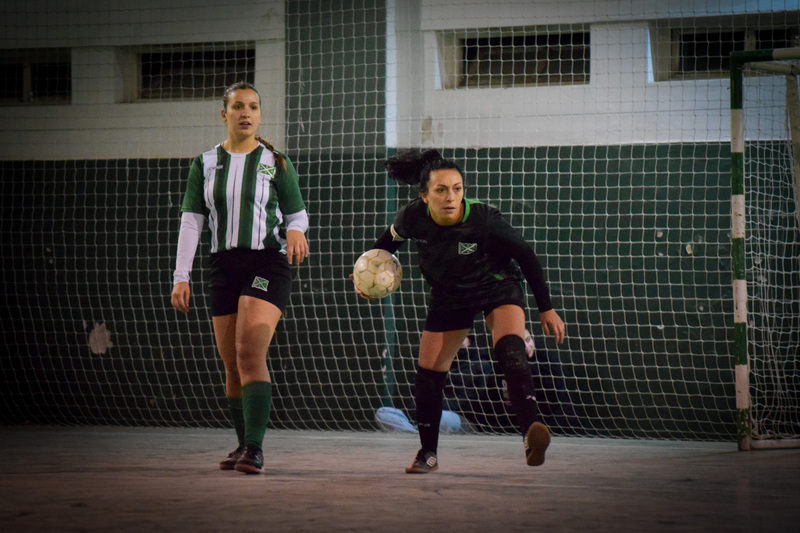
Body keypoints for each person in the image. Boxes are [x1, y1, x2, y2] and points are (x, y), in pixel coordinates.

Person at [352, 149, 565, 473]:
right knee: (428, 375)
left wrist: (546, 309)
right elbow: (384, 247)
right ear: (424, 196)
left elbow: (526, 257)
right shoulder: (411, 217)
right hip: (449, 294)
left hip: (496, 284)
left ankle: (530, 434)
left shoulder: (484, 219)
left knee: (511, 349)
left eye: (457, 188)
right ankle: (427, 454)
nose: (451, 197)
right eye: (441, 190)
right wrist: (365, 278)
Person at [170, 81, 309, 475]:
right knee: (231, 364)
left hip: (267, 262)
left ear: (260, 116)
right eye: (238, 106)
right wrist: (181, 276)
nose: (246, 113)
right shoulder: (205, 163)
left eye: (253, 107)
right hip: (223, 266)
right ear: (224, 114)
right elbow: (192, 222)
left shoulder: (275, 161)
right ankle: (242, 443)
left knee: (249, 353)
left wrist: (296, 231)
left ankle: (255, 448)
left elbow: (297, 214)